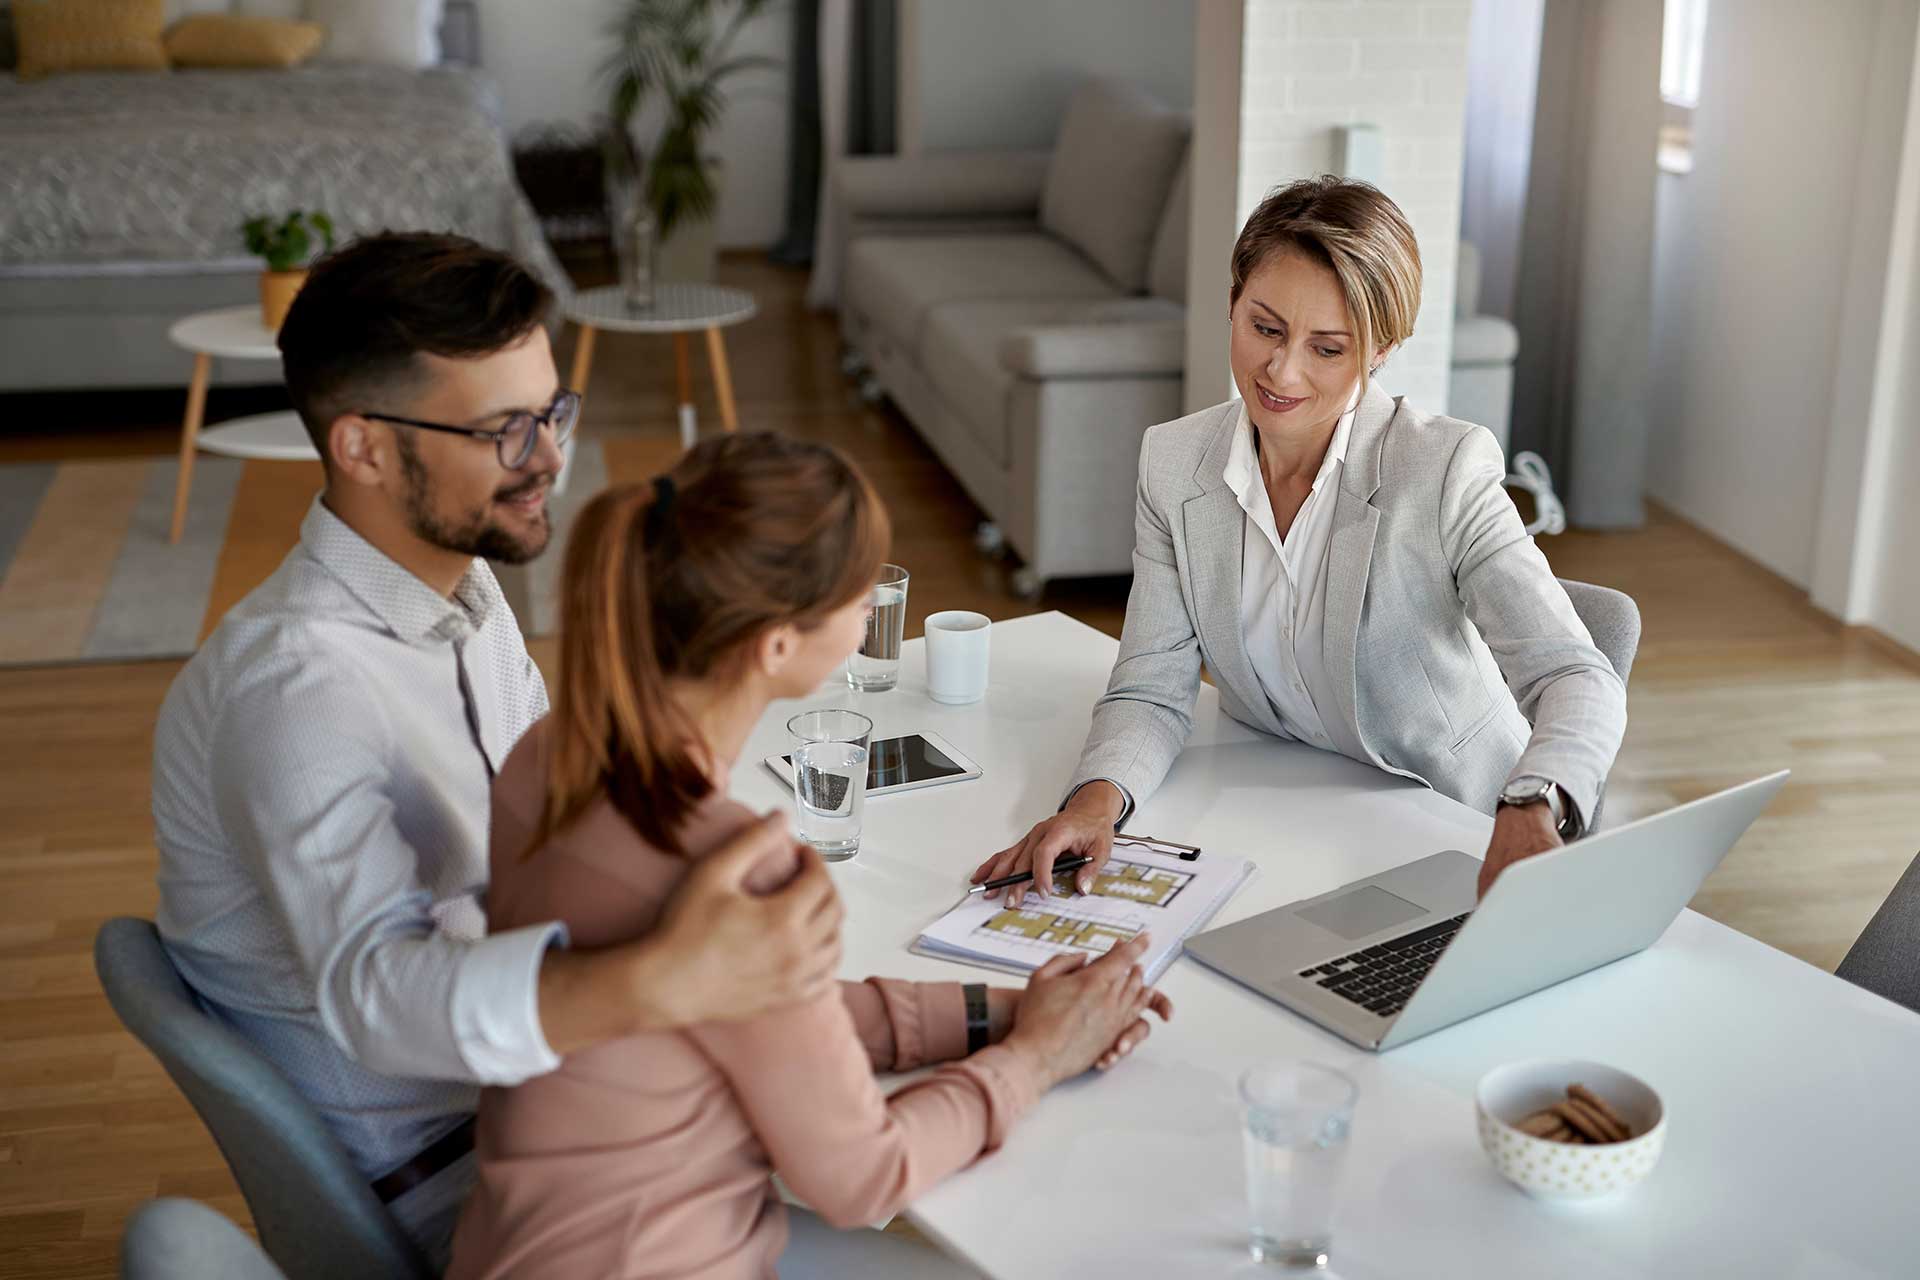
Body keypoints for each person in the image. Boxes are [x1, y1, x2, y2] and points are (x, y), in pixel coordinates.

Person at [151, 233, 844, 1266]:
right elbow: (379, 994)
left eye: (552, 412)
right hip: (465, 1181)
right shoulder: (298, 688)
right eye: (506, 430)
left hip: (555, 1087)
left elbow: (549, 832)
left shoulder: (467, 593)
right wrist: (666, 977)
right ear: (365, 447)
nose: (551, 458)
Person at [448, 434, 1174, 1279]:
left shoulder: (550, 753)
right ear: (777, 645)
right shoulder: (731, 865)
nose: (874, 600)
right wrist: (1038, 1060)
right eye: (857, 587)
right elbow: (865, 1177)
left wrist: (1004, 1013)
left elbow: (774, 1015)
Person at [973, 176, 1627, 905]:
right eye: (1265, 328)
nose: (1282, 372)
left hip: (1455, 832)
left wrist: (1533, 805)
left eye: (1327, 348)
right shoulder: (1174, 463)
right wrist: (1092, 805)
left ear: (1380, 351)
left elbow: (1576, 676)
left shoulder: (1442, 470)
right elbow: (1152, 688)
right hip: (1283, 818)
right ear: (1231, 306)